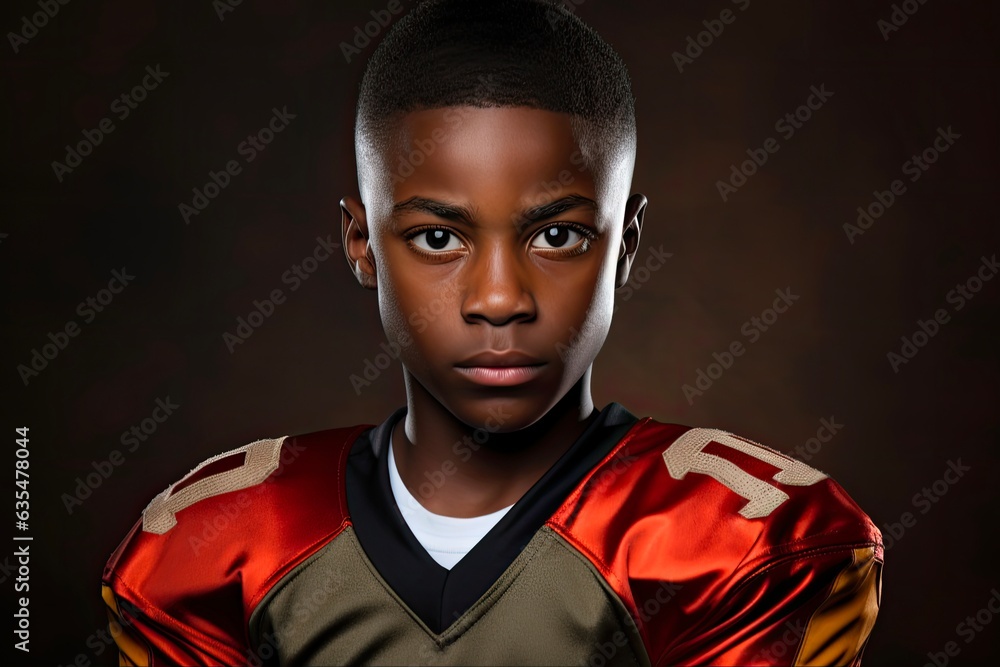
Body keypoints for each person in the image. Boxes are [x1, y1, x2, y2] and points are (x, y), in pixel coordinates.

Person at [101, 1, 883, 664]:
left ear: (627, 245)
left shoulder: (744, 541)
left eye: (558, 236)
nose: (500, 299)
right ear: (362, 245)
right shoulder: (218, 543)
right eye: (440, 239)